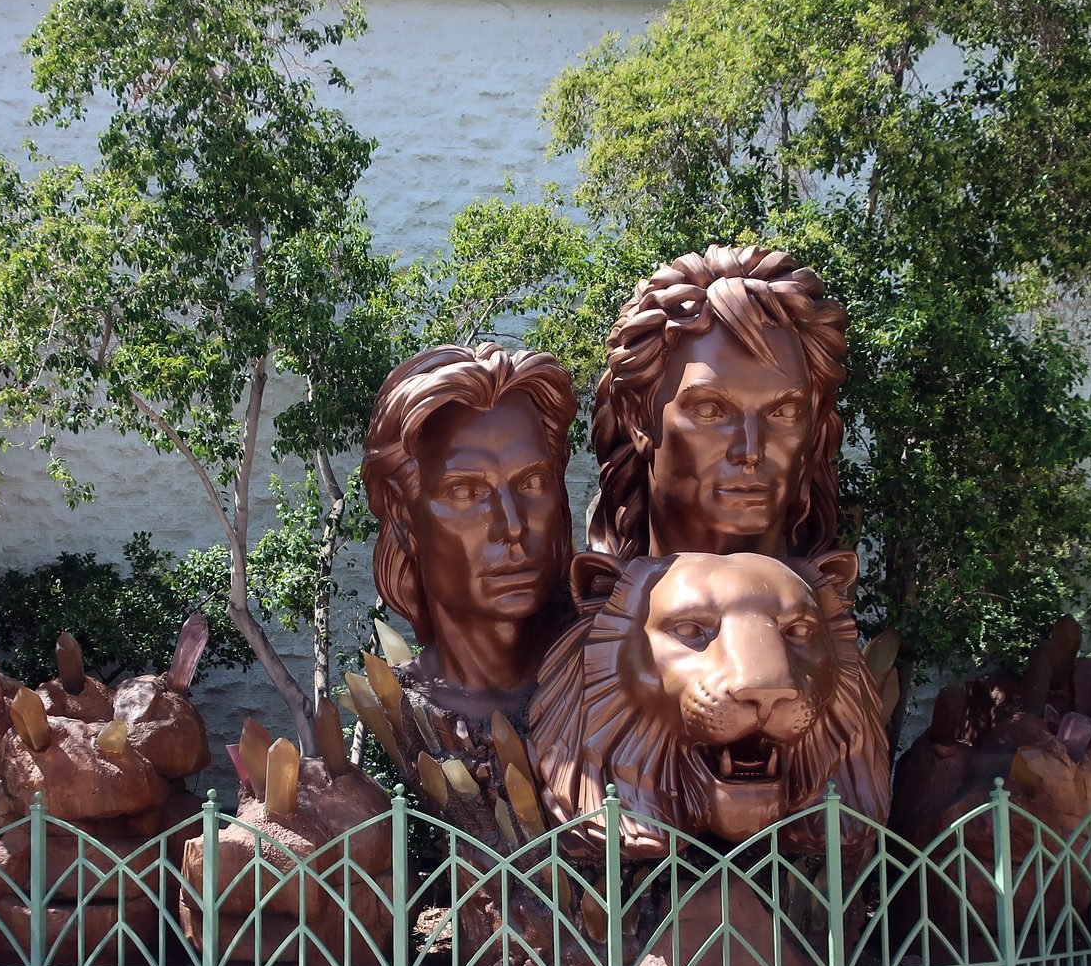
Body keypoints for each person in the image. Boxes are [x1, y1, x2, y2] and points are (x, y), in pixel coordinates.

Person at [360, 343, 577, 720]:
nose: (511, 526)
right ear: (402, 515)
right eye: (465, 492)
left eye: (533, 482)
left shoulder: (616, 676)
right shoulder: (401, 706)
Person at [588, 246, 847, 560]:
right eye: (710, 410)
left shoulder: (830, 596)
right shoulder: (589, 598)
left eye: (785, 412)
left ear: (814, 422)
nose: (751, 450)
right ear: (638, 419)